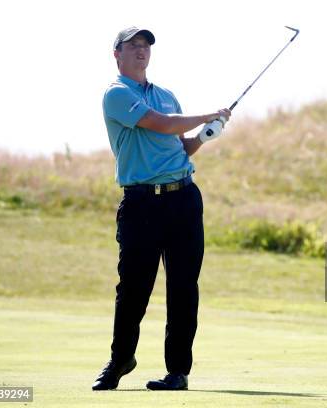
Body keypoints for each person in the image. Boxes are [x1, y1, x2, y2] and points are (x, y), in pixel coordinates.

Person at [92, 27, 230, 391]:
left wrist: (204, 135)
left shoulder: (168, 95)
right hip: (141, 204)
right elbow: (163, 124)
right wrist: (206, 115)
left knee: (184, 286)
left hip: (182, 199)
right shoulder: (117, 95)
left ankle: (177, 372)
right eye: (132, 45)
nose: (141, 51)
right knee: (134, 288)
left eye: (145, 46)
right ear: (117, 54)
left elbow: (179, 146)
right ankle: (121, 359)